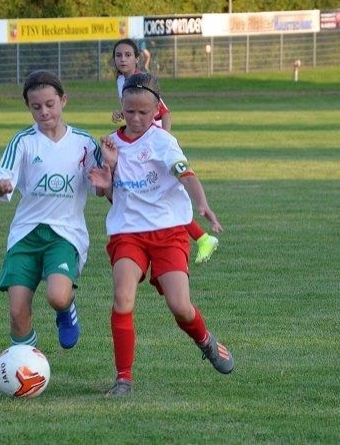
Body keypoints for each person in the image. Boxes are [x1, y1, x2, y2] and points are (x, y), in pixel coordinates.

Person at [89, 73, 234, 397]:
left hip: (168, 232)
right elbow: (111, 195)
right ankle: (123, 379)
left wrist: (202, 204)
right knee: (123, 298)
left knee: (180, 306)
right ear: (121, 107)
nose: (136, 118)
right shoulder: (110, 145)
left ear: (157, 110)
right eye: (130, 111)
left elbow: (187, 176)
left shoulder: (163, 142)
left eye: (144, 112)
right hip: (128, 232)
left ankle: (205, 341)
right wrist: (106, 178)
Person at [0, 70, 102, 350]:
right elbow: (2, 177)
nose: (44, 112)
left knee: (58, 297)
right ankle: (25, 364)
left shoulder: (84, 142)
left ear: (63, 100)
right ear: (28, 107)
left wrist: (105, 179)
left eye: (50, 104)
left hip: (65, 233)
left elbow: (101, 186)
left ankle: (67, 308)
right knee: (17, 312)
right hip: (25, 234)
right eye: (36, 106)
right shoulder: (23, 141)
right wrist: (0, 186)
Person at [111, 38, 219, 265]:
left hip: (154, 148)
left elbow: (165, 112)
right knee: (147, 198)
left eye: (128, 55)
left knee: (155, 197)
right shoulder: (122, 81)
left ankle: (202, 238)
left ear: (137, 59)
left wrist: (164, 139)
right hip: (138, 142)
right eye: (118, 55)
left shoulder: (144, 83)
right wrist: (122, 113)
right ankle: (202, 238)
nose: (122, 59)